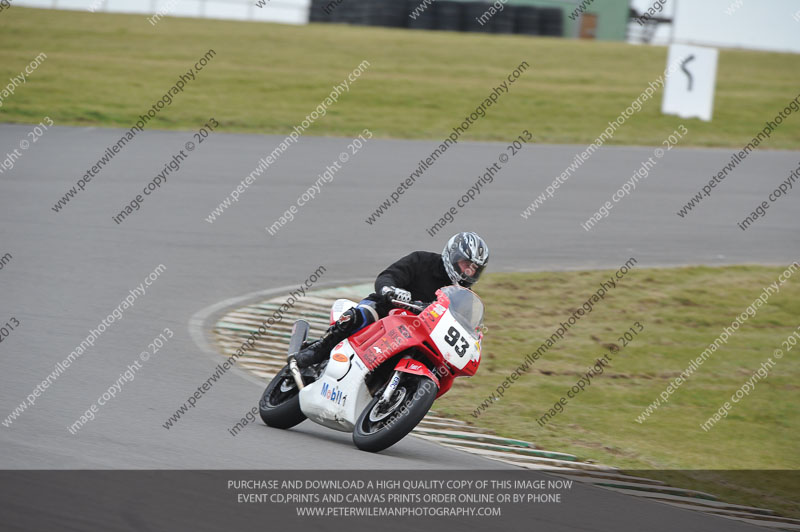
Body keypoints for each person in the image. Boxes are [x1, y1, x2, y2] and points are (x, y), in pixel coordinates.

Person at [292, 231, 489, 368]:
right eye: (466, 264)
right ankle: (317, 350)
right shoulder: (422, 261)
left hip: (418, 335)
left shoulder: (463, 299)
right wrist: (390, 290)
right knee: (361, 315)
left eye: (474, 269)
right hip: (387, 311)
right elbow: (389, 275)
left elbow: (463, 327)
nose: (468, 272)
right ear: (453, 255)